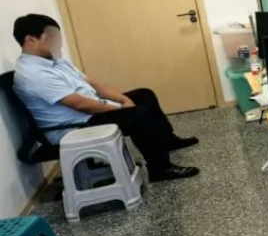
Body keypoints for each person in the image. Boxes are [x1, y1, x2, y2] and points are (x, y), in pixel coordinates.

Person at [12, 14, 201, 181]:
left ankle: (167, 141)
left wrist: (123, 100)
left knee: (144, 95)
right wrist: (122, 109)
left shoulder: (54, 61)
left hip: (88, 113)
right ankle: (159, 169)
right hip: (73, 126)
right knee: (137, 115)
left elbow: (93, 84)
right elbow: (79, 104)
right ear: (30, 40)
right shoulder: (33, 74)